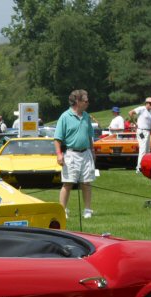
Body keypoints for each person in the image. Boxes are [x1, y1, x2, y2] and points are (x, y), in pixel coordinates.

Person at [54, 89, 96, 219]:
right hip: (71, 154)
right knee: (68, 183)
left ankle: (87, 210)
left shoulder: (86, 116)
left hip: (86, 153)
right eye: (86, 101)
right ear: (77, 101)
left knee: (86, 182)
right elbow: (57, 139)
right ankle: (63, 210)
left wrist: (92, 151)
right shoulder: (65, 117)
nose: (88, 103)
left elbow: (89, 136)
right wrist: (59, 154)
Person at [131, 96, 151, 172]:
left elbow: (148, 123)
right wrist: (135, 123)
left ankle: (145, 167)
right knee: (143, 149)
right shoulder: (142, 109)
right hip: (141, 131)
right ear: (146, 103)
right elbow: (130, 113)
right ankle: (139, 167)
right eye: (150, 103)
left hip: (147, 131)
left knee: (147, 150)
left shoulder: (150, 112)